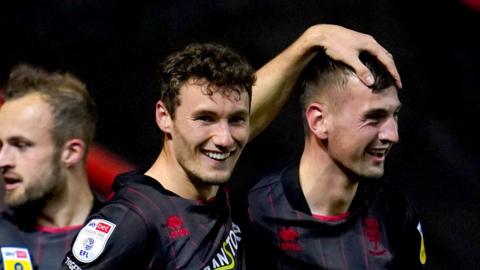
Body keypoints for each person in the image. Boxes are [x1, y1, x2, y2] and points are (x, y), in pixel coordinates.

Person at [60, 24, 402, 270]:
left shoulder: (219, 203)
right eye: (205, 119)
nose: (224, 139)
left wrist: (313, 40)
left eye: (237, 120)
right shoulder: (133, 222)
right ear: (164, 117)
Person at [246, 51, 426, 269]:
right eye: (374, 117)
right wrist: (312, 38)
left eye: (394, 115)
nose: (392, 134)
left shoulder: (395, 216)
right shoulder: (250, 212)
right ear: (319, 121)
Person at [0, 64, 102, 270]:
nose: (3, 161)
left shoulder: (130, 239)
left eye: (21, 145)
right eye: (0, 145)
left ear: (71, 152)